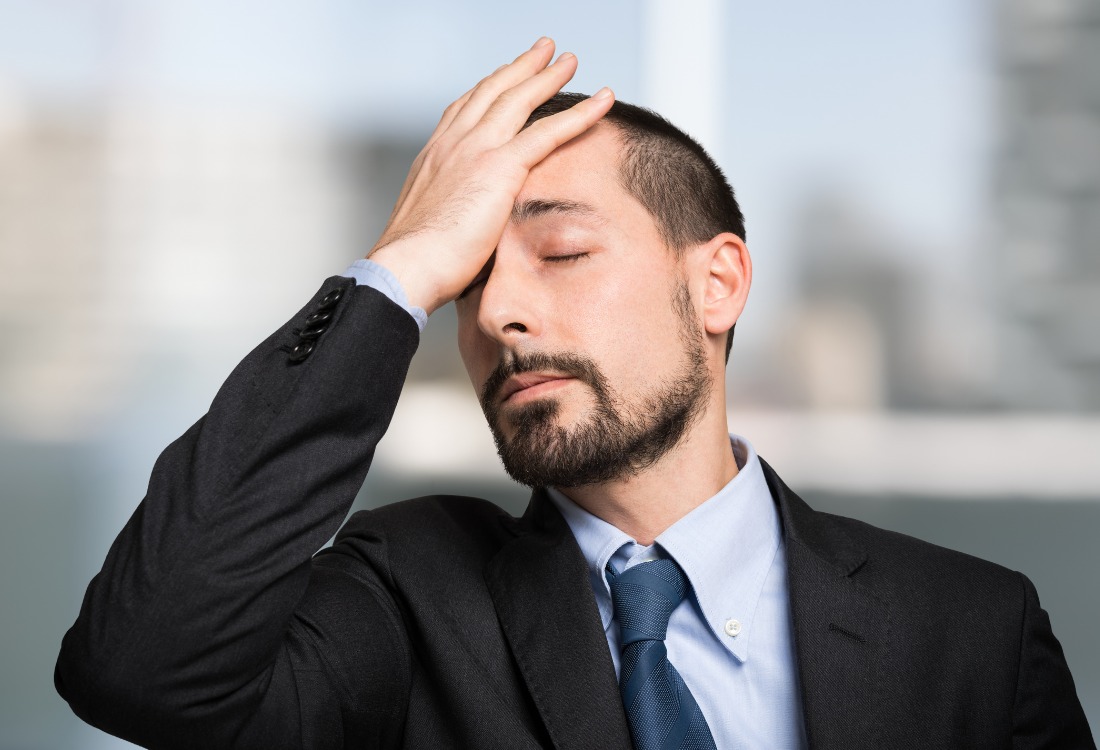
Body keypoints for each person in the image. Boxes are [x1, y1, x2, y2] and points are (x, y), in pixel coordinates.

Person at [56, 38, 1093, 750]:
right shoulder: (409, 596)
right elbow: (140, 666)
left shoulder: (970, 631)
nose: (498, 310)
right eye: (465, 284)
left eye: (560, 250)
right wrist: (399, 270)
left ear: (716, 282)